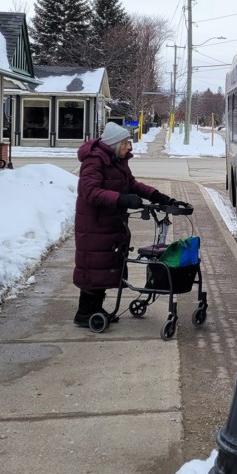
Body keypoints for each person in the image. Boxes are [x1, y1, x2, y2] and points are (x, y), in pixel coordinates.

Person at [72, 121, 182, 327]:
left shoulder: (117, 161)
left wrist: (158, 196)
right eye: (125, 143)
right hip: (94, 225)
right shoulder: (94, 162)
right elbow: (90, 192)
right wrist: (121, 199)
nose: (129, 147)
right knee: (93, 267)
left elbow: (131, 184)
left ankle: (96, 309)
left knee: (104, 268)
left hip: (110, 223)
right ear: (114, 144)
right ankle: (84, 313)